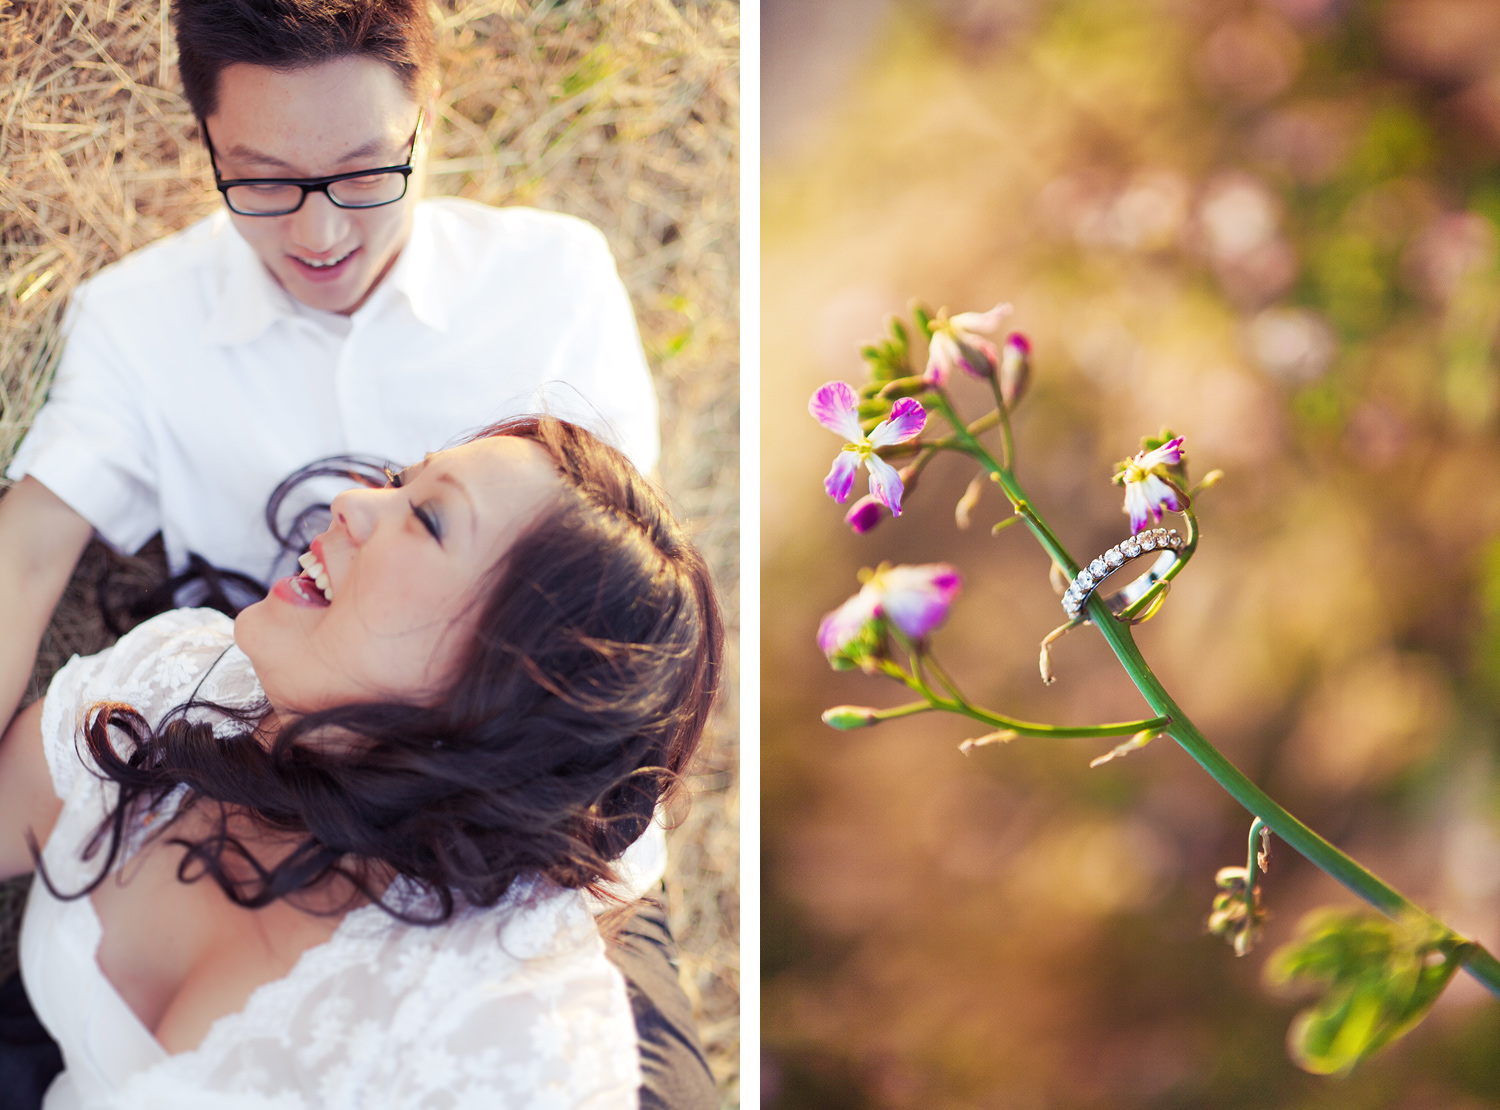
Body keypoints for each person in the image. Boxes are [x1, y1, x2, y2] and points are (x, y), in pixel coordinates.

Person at [0, 0, 718, 1104]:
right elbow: (25, 554)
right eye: (264, 179)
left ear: (427, 114)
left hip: (544, 842)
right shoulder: (137, 325)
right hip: (249, 761)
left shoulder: (551, 281)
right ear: (207, 140)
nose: (320, 233)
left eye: (363, 173)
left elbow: (613, 624)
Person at [0, 417, 724, 1109]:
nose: (351, 501)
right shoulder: (179, 681)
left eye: (430, 518)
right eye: (399, 481)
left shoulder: (508, 1044)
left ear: (511, 682)